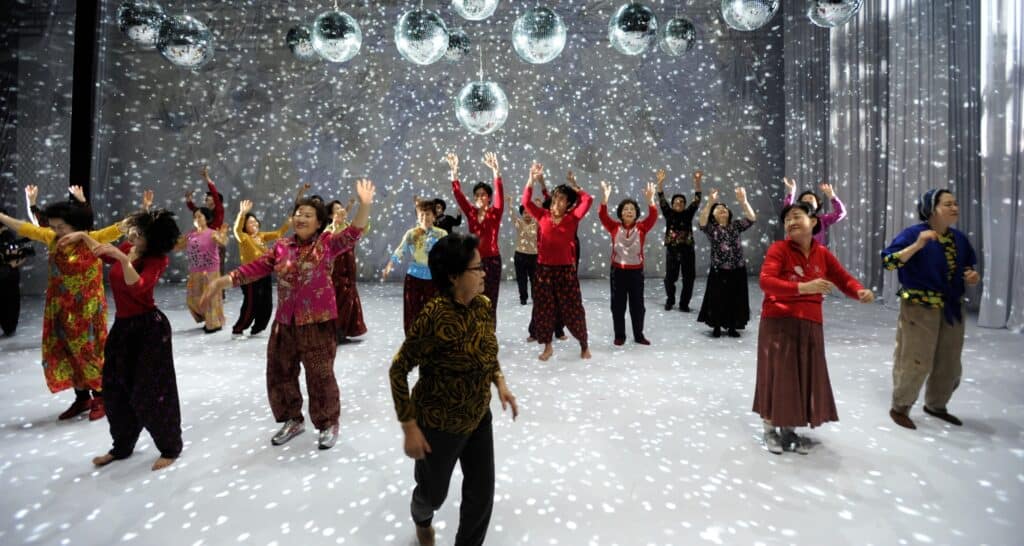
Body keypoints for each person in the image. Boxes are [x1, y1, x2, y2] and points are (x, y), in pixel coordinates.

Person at [201, 180, 375, 450]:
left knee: (320, 375)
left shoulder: (326, 244)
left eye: (308, 215)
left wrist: (364, 205)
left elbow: (353, 233)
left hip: (316, 322)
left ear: (319, 222)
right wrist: (219, 282)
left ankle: (328, 422)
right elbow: (254, 268)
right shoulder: (282, 246)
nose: (301, 218)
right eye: (298, 214)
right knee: (280, 373)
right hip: (285, 323)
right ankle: (292, 419)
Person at [389, 232, 519, 546]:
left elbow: (487, 350)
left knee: (481, 494)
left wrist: (500, 383)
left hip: (477, 416)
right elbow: (398, 368)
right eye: (477, 269)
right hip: (438, 423)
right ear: (453, 276)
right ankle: (421, 517)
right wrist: (409, 426)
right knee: (432, 494)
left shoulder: (484, 305)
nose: (484, 273)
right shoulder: (433, 316)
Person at [62, 209, 184, 471]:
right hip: (123, 328)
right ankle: (122, 445)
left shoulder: (156, 259)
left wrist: (122, 258)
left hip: (150, 330)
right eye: (134, 231)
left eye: (139, 234)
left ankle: (171, 446)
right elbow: (103, 253)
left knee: (152, 391)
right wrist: (83, 236)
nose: (132, 236)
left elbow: (139, 287)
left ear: (152, 239)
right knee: (115, 389)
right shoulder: (129, 246)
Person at [753, 201, 875, 454]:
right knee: (778, 377)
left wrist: (859, 291)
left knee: (800, 378)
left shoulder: (822, 253)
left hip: (810, 324)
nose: (791, 223)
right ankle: (769, 429)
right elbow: (766, 282)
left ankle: (789, 428)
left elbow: (842, 278)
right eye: (787, 220)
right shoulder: (779, 249)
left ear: (814, 222)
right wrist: (802, 288)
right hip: (779, 323)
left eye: (797, 217)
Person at [0, 190, 132, 421]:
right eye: (53, 226)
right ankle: (82, 398)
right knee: (66, 352)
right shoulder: (51, 239)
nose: (56, 231)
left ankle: (101, 396)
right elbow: (24, 228)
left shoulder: (94, 238)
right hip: (61, 309)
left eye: (61, 227)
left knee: (89, 351)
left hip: (88, 310)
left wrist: (143, 213)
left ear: (76, 225)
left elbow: (121, 228)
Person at [882, 189, 980, 430]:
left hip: (952, 306)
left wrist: (972, 276)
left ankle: (936, 405)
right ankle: (901, 406)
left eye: (955, 203)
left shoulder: (959, 239)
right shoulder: (913, 234)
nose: (954, 207)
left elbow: (967, 267)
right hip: (919, 307)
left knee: (949, 362)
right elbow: (889, 262)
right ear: (932, 209)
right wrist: (917, 245)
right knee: (916, 358)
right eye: (948, 204)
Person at [521, 162, 593, 361]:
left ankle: (583, 344)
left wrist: (576, 187)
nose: (557, 202)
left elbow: (587, 200)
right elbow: (526, 202)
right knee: (544, 309)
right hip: (544, 271)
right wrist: (531, 178)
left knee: (573, 308)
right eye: (556, 198)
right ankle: (548, 346)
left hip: (565, 271)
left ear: (569, 204)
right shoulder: (542, 215)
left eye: (562, 200)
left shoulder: (572, 218)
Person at [598, 179, 659, 346]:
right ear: (621, 213)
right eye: (626, 209)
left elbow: (653, 216)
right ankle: (620, 335)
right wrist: (604, 199)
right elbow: (602, 216)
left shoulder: (642, 227)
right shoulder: (614, 227)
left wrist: (650, 200)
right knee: (617, 306)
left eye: (632, 209)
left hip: (636, 272)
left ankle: (639, 335)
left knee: (638, 306)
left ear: (636, 213)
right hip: (617, 272)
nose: (629, 211)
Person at [447, 152, 504, 321]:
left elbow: (500, 194)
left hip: (492, 260)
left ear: (489, 198)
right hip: (473, 260)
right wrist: (454, 171)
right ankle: (473, 331)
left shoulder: (496, 212)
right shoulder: (471, 212)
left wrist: (496, 171)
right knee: (471, 297)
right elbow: (458, 195)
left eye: (483, 194)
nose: (479, 197)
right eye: (477, 195)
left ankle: (488, 333)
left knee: (490, 298)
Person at [696, 187, 757, 337]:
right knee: (717, 298)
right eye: (718, 209)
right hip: (719, 269)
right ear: (713, 215)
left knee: (736, 298)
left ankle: (732, 326)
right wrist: (710, 203)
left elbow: (751, 218)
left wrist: (744, 202)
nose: (722, 209)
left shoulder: (735, 225)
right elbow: (702, 222)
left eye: (724, 208)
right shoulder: (712, 228)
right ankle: (716, 325)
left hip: (738, 268)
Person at [383, 199, 448, 334]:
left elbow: (449, 254)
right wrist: (390, 265)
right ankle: (413, 341)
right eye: (421, 214)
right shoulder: (411, 234)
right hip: (414, 278)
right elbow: (400, 250)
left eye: (428, 214)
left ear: (434, 216)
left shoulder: (442, 234)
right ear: (418, 217)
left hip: (434, 278)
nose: (425, 217)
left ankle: (432, 341)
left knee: (434, 310)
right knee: (412, 310)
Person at [231, 200, 290, 337]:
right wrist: (242, 213)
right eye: (250, 222)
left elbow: (279, 233)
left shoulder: (261, 236)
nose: (254, 224)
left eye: (255, 221)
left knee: (267, 303)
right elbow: (236, 230)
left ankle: (258, 327)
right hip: (250, 275)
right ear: (245, 226)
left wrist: (289, 223)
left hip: (264, 273)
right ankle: (238, 328)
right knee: (251, 304)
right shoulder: (243, 237)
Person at [657, 169, 703, 311]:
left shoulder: (688, 213)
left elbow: (697, 199)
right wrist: (659, 183)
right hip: (672, 250)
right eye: (676, 201)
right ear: (672, 204)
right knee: (670, 278)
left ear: (684, 204)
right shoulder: (668, 213)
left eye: (682, 202)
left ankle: (684, 304)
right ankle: (670, 300)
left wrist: (697, 182)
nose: (679, 203)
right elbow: (661, 198)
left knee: (689, 279)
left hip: (687, 250)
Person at [178, 207, 228, 333]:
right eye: (195, 216)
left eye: (200, 216)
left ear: (206, 218)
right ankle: (208, 318)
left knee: (210, 299)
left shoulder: (212, 233)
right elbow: (177, 247)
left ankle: (213, 325)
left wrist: (222, 235)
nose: (197, 219)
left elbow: (223, 241)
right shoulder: (190, 235)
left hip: (210, 271)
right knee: (192, 299)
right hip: (195, 271)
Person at [326, 198, 368, 343]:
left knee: (349, 297)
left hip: (349, 265)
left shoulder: (350, 226)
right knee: (339, 298)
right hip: (335, 267)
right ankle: (335, 331)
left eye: (342, 208)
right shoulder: (328, 230)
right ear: (331, 215)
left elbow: (364, 227)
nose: (341, 211)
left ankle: (343, 330)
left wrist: (362, 207)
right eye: (337, 210)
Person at [781, 177, 846, 247]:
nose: (808, 200)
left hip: (815, 255)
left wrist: (832, 196)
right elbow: (787, 211)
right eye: (805, 199)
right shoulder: (795, 217)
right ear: (800, 204)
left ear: (817, 205)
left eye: (811, 198)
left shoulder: (822, 220)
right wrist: (791, 192)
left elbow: (840, 213)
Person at [0, 215, 34, 336]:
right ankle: (9, 326)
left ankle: (9, 326)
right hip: (8, 275)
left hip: (8, 276)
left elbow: (22, 255)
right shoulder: (8, 236)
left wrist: (12, 264)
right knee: (10, 303)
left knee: (10, 303)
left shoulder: (8, 236)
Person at [507, 194, 540, 306]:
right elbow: (512, 215)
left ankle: (536, 297)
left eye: (529, 212)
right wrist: (510, 204)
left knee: (535, 280)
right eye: (525, 212)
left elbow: (542, 216)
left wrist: (539, 206)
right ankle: (523, 298)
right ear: (522, 214)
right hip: (520, 255)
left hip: (534, 255)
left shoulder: (536, 223)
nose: (527, 215)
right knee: (521, 279)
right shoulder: (519, 223)